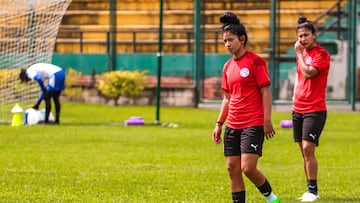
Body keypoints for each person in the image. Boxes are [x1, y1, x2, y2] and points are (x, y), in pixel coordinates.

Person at [212, 12, 280, 203]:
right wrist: (219, 123)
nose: (227, 44)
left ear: (242, 39)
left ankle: (271, 198)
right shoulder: (227, 67)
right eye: (225, 41)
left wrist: (267, 120)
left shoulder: (256, 62)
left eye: (230, 40)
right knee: (232, 168)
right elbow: (227, 98)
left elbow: (266, 92)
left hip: (253, 122)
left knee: (247, 167)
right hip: (232, 124)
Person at [292, 16, 330, 202]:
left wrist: (299, 54)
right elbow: (299, 77)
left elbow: (308, 73)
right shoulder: (303, 53)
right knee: (303, 151)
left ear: (314, 35)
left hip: (314, 109)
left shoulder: (320, 54)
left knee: (308, 148)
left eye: (306, 35)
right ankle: (309, 189)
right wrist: (294, 96)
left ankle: (314, 191)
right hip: (298, 107)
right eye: (300, 36)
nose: (303, 39)